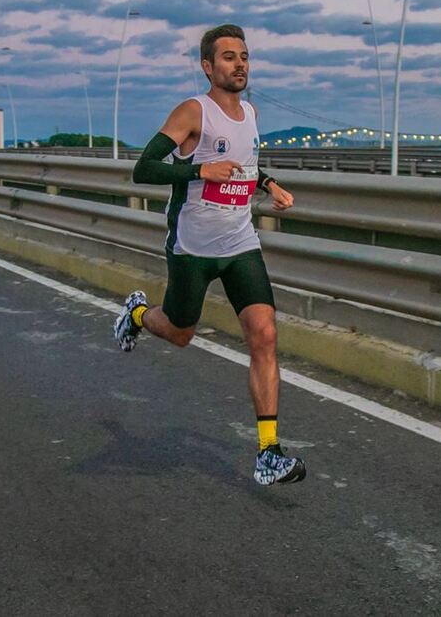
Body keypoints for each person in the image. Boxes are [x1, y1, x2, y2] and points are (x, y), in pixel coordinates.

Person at [113, 24, 305, 486]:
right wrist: (200, 168)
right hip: (192, 247)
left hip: (240, 243)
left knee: (264, 336)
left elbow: (245, 163)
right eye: (228, 57)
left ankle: (267, 452)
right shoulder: (192, 112)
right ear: (207, 66)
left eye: (244, 56)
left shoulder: (251, 113)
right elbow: (143, 169)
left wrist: (268, 184)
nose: (239, 64)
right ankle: (138, 315)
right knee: (181, 333)